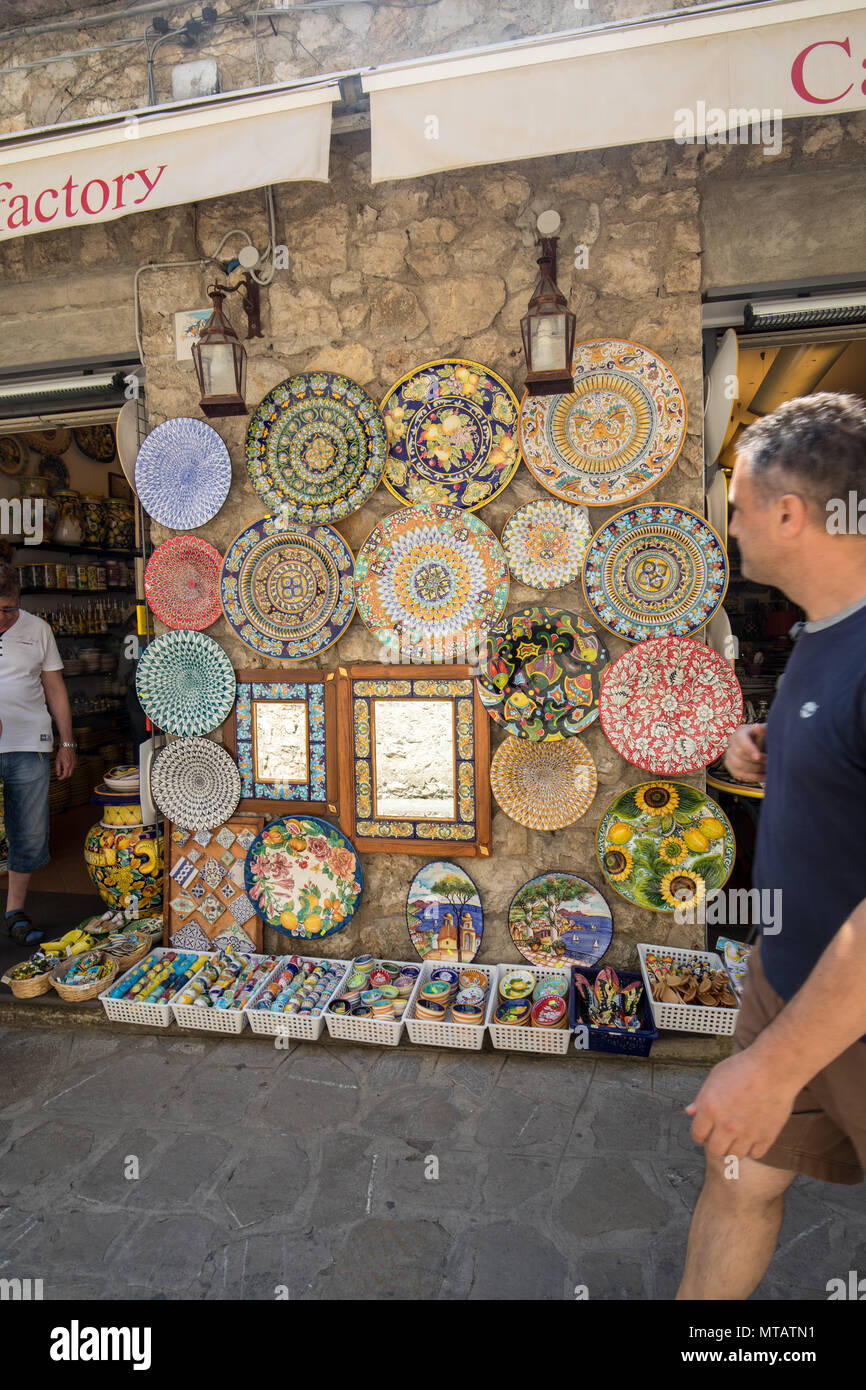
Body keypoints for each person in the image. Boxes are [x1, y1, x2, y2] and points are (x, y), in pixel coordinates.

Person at [677, 392, 866, 1300]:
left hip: (847, 1015)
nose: (732, 529)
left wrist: (772, 1066)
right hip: (785, 977)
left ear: (788, 514)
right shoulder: (825, 632)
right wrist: (765, 744)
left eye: (739, 507)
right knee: (737, 1178)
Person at [0, 561, 76, 943]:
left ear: (18, 601)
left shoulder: (38, 629)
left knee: (28, 832)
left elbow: (55, 689)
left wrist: (66, 743)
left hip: (30, 744)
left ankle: (15, 911)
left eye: (8, 610)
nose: (1, 618)